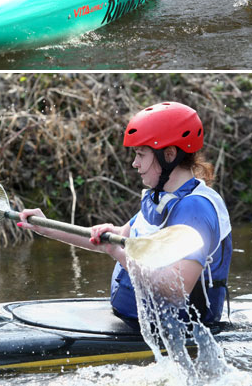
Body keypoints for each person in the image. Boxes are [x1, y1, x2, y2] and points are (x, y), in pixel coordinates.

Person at [18, 100, 232, 330]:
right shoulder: (163, 197)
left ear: (169, 155)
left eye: (141, 154)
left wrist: (121, 256)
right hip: (136, 322)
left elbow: (176, 291)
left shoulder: (195, 210)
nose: (134, 163)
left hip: (180, 331)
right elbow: (116, 239)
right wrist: (47, 227)